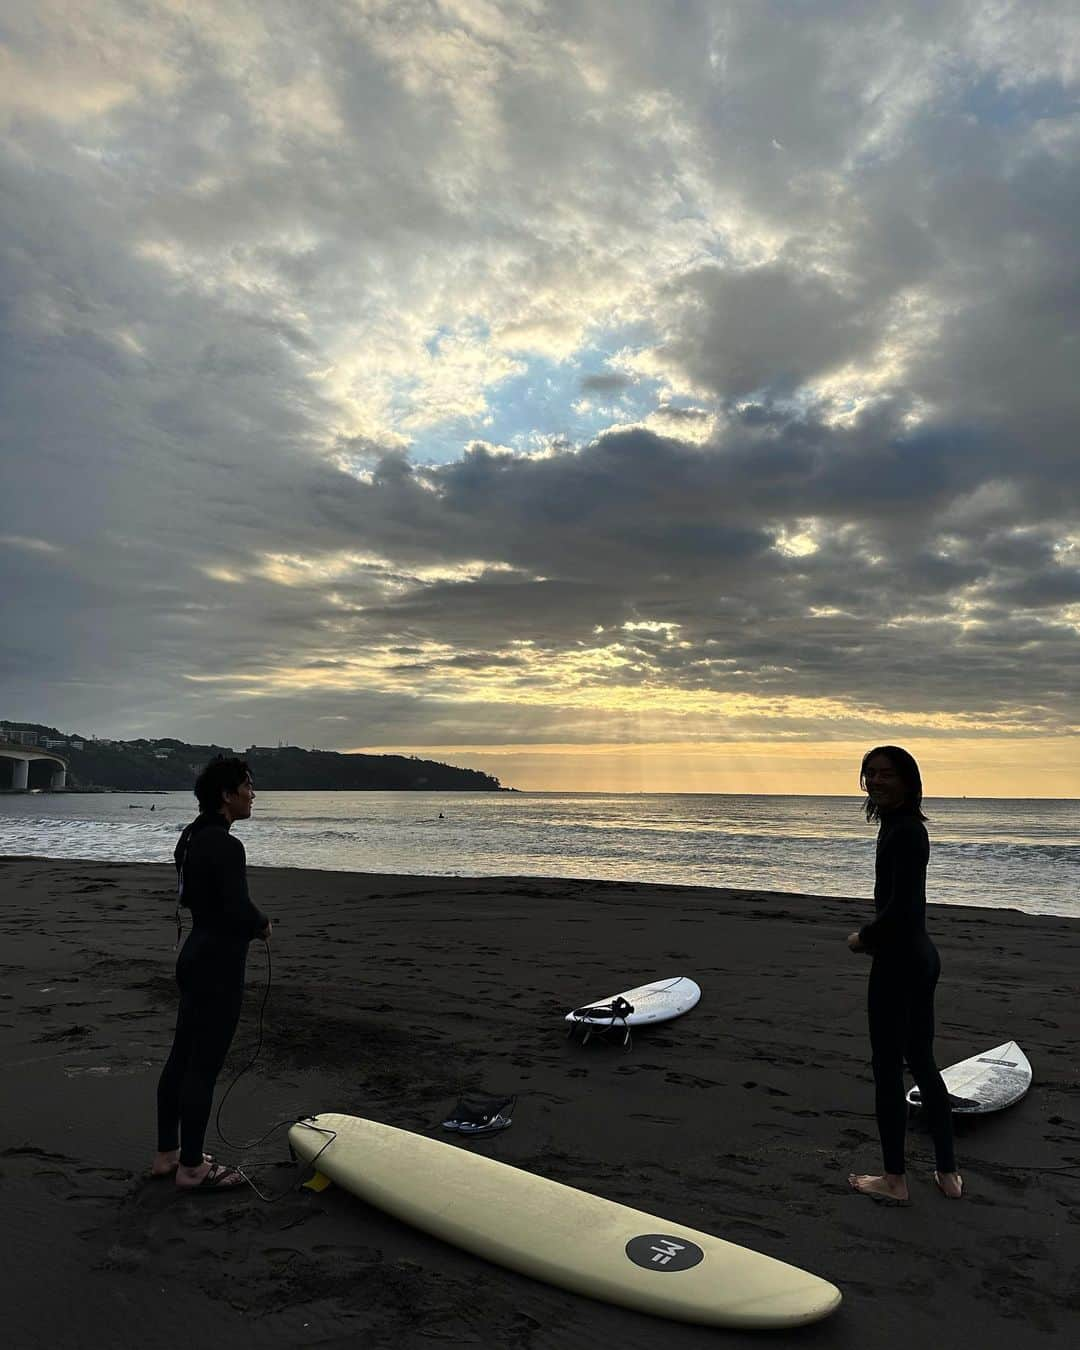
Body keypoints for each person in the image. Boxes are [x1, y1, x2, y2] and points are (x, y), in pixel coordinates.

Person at [846, 746, 962, 1204]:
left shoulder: (906, 833)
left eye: (885, 774)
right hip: (919, 958)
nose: (875, 781)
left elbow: (904, 910)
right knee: (922, 1060)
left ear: (908, 780)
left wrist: (864, 937)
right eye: (869, 773)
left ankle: (895, 1179)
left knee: (889, 1069)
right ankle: (948, 1172)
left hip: (899, 962)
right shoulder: (901, 827)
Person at [151, 756, 271, 1190]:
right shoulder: (226, 844)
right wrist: (262, 925)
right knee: (204, 1064)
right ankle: (192, 1168)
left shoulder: (190, 836)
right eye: (248, 786)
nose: (253, 794)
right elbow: (237, 908)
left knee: (181, 1057)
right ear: (227, 794)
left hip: (195, 952)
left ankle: (167, 1154)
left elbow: (204, 899)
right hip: (219, 962)